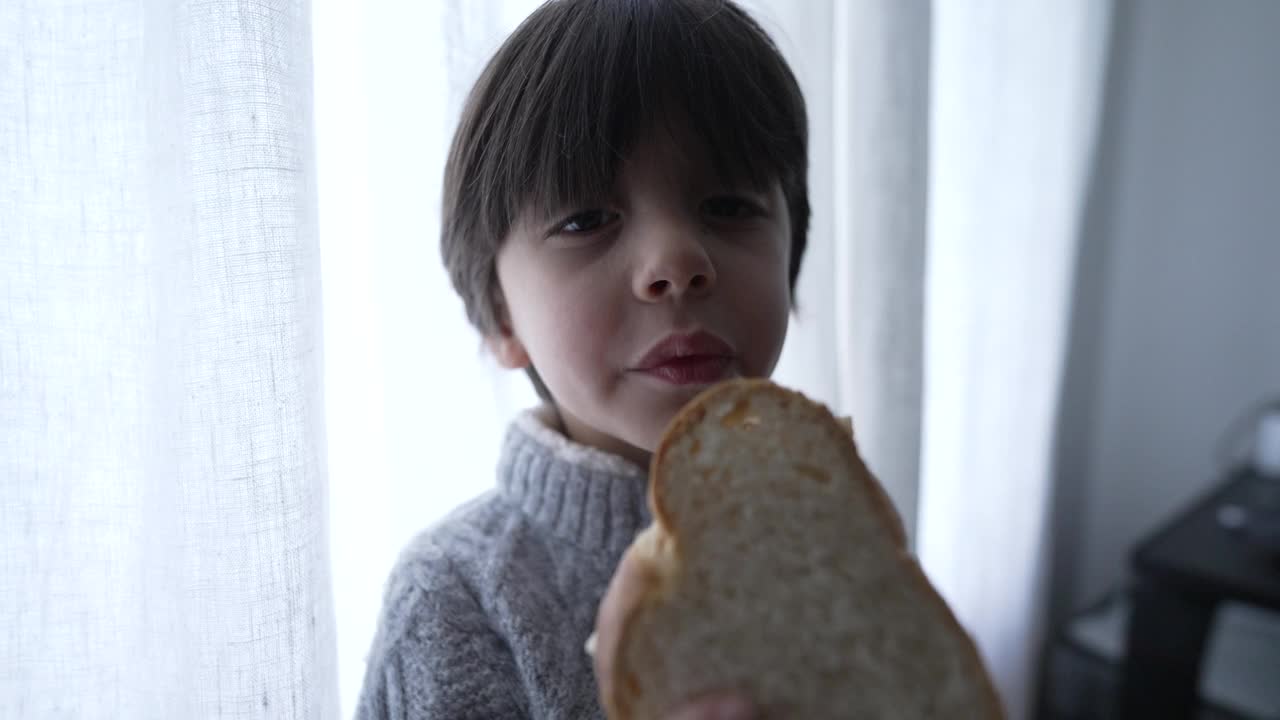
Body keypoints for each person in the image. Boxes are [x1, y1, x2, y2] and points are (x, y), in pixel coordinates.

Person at [355, 0, 810, 717]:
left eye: (728, 205)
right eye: (586, 220)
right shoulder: (458, 596)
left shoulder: (827, 539)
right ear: (503, 315)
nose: (676, 262)